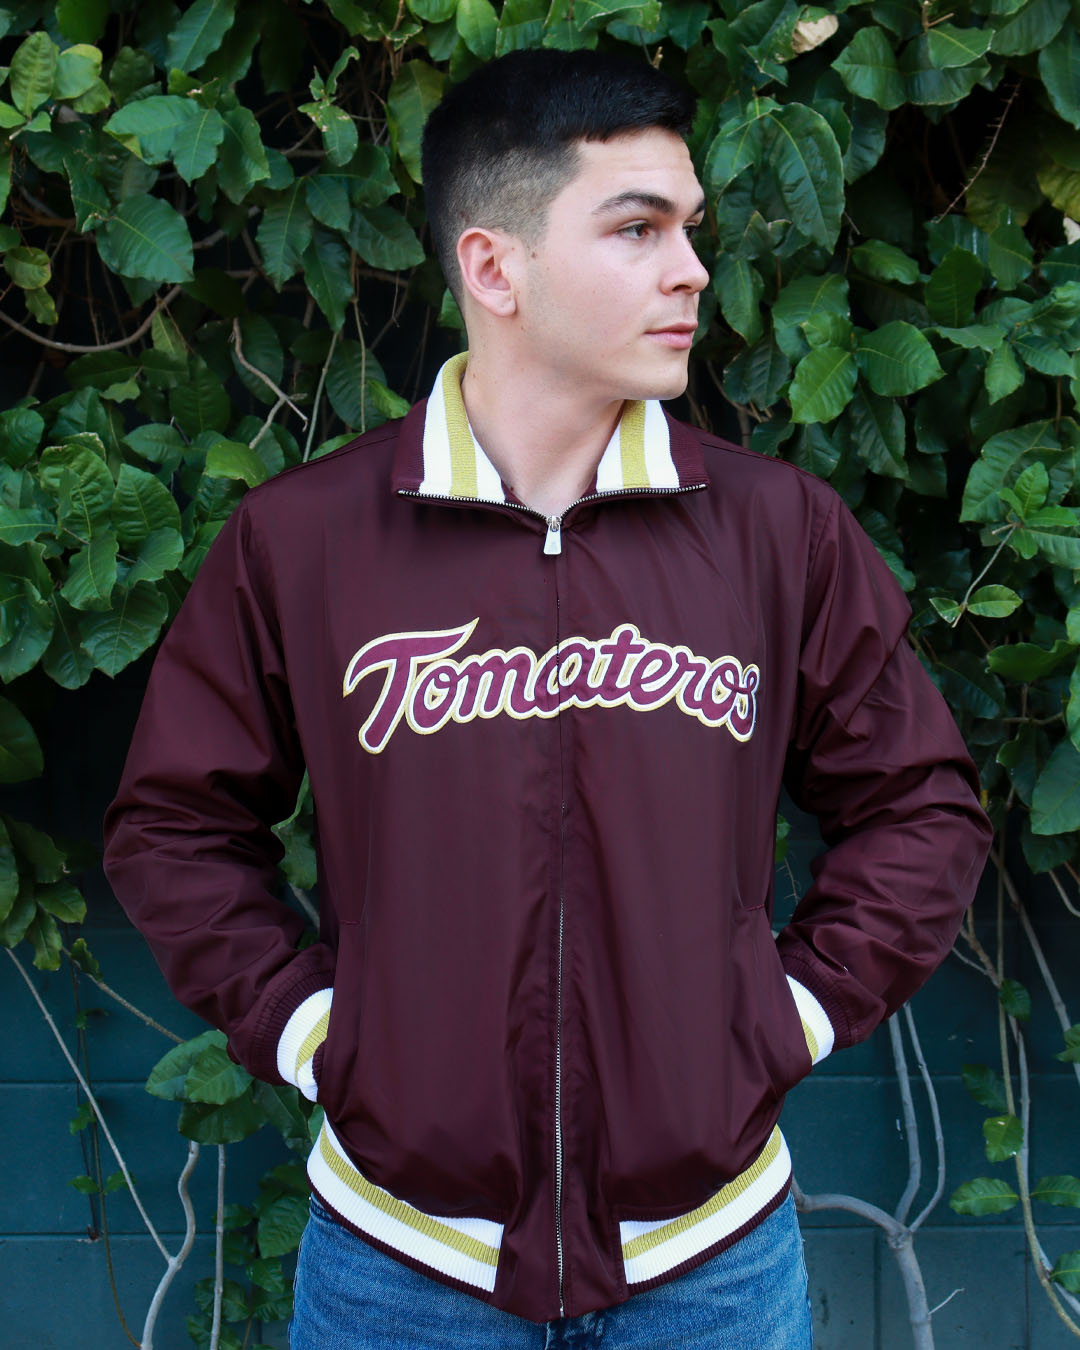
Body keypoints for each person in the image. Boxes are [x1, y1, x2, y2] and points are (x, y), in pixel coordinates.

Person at [104, 48, 992, 1349]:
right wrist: (316, 1033)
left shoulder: (775, 532)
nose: (692, 268)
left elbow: (920, 806)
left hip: (710, 1266)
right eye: (638, 228)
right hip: (402, 1266)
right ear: (494, 267)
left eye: (690, 225)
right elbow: (175, 826)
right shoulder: (305, 541)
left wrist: (782, 1017)